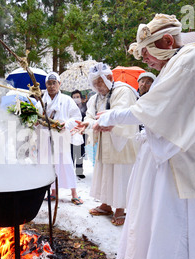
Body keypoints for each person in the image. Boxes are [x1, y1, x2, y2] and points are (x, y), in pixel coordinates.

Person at [92, 14, 195, 259]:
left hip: (190, 164)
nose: (148, 63)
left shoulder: (193, 59)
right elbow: (171, 114)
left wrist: (113, 116)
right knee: (172, 224)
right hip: (182, 159)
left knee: (183, 225)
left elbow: (158, 109)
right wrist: (142, 135)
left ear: (167, 41)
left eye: (148, 54)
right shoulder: (182, 60)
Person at [72, 62, 138, 226]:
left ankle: (121, 209)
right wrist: (86, 124)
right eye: (94, 84)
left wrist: (102, 121)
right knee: (106, 174)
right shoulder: (94, 98)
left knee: (120, 174)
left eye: (100, 82)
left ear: (110, 78)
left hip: (121, 141)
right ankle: (106, 204)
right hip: (104, 141)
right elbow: (89, 116)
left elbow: (121, 114)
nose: (98, 87)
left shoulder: (123, 91)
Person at [37, 72, 83, 205]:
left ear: (59, 84)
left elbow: (76, 117)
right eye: (49, 83)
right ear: (46, 85)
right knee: (48, 164)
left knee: (66, 163)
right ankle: (53, 192)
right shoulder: (41, 101)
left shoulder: (67, 100)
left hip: (61, 136)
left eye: (54, 83)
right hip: (45, 137)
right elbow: (36, 117)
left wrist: (67, 124)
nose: (51, 86)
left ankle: (74, 193)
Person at [70, 90, 87, 178]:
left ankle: (79, 171)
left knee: (80, 153)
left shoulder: (85, 107)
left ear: (81, 98)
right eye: (74, 97)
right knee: (71, 152)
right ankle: (69, 171)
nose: (76, 99)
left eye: (77, 97)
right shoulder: (69, 107)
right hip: (71, 132)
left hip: (81, 132)